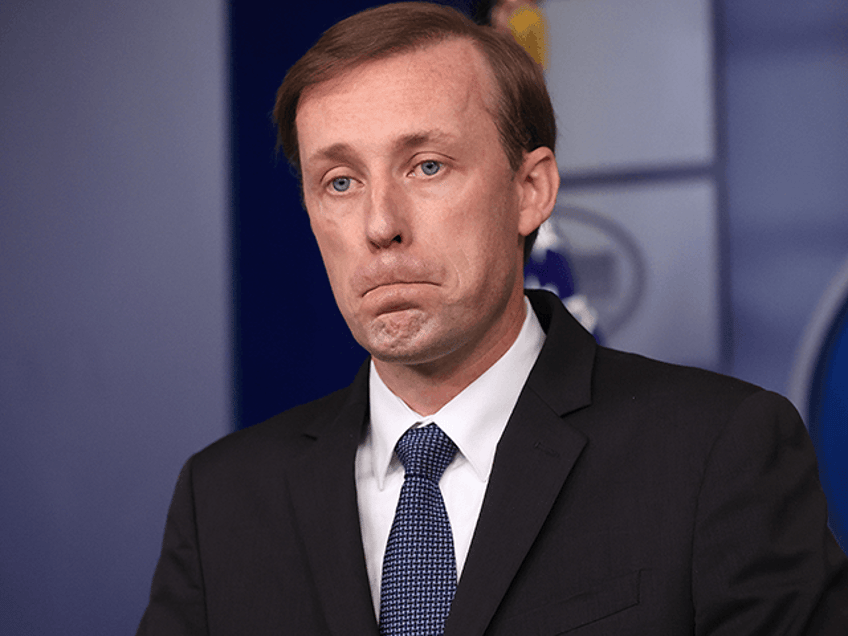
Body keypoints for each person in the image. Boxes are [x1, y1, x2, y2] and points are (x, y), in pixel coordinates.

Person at [137, 3, 848, 634]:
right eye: (341, 182)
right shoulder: (222, 499)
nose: (379, 225)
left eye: (427, 166)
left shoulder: (717, 453)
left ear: (530, 189)